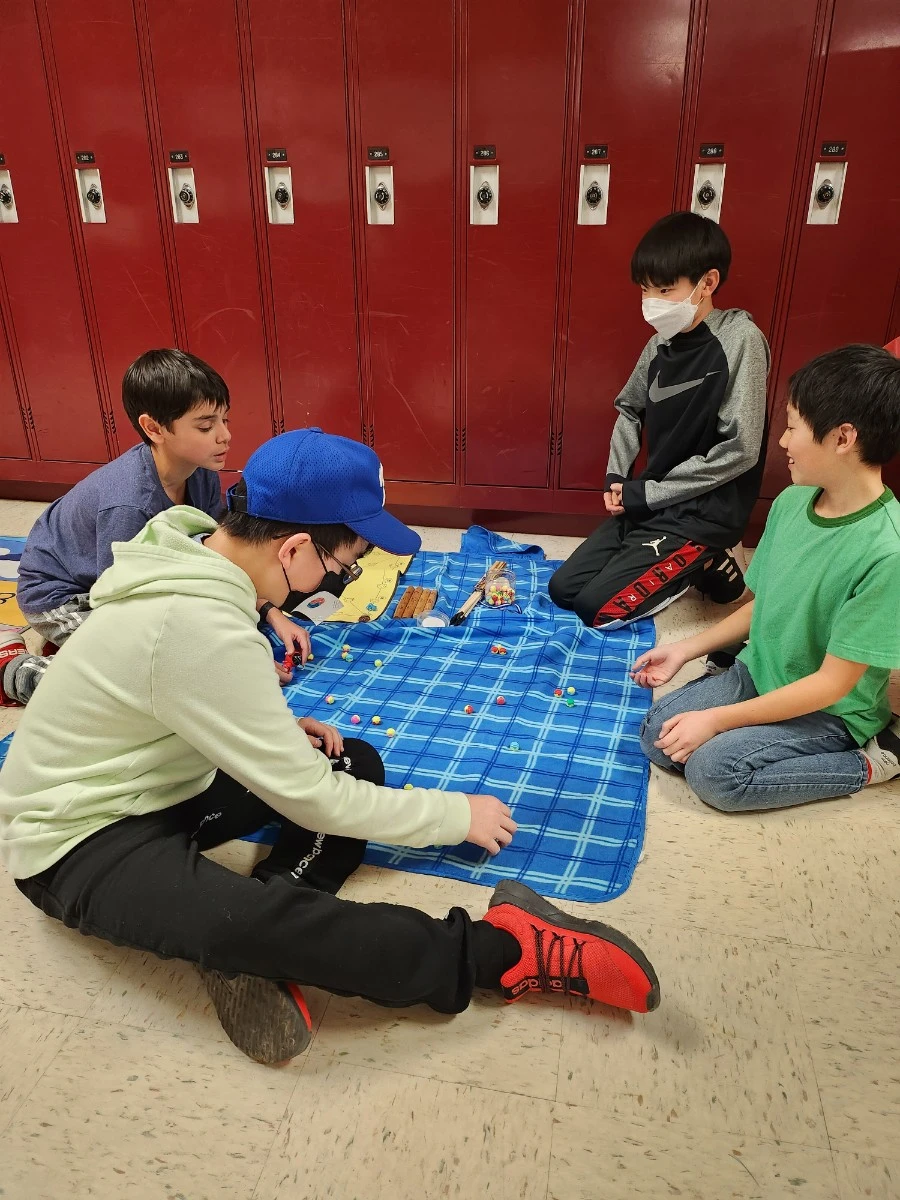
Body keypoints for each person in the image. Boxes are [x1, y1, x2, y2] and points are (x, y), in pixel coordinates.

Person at [0, 428, 660, 1065]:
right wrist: (453, 814)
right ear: (293, 550)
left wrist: (273, 730)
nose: (337, 584)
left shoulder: (200, 558)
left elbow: (165, 692)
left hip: (162, 780)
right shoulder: (195, 623)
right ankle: (504, 950)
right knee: (250, 918)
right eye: (342, 568)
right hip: (74, 839)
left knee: (349, 760)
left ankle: (266, 932)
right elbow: (312, 798)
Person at [633, 344, 900, 811]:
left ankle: (874, 760)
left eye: (793, 427)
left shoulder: (888, 551)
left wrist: (717, 720)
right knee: (659, 737)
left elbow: (831, 685)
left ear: (842, 438)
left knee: (714, 774)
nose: (782, 442)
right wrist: (684, 648)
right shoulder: (792, 503)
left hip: (830, 710)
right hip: (760, 672)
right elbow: (765, 605)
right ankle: (735, 718)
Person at [0, 348, 306, 707]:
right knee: (149, 681)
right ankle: (13, 670)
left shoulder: (202, 473)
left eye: (225, 420)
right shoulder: (128, 504)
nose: (224, 436)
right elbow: (127, 610)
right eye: (206, 426)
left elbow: (215, 562)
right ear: (154, 428)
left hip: (121, 584)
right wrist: (229, 663)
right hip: (63, 596)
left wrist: (269, 612)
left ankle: (73, 645)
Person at [549, 211, 769, 629]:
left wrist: (648, 493)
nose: (652, 302)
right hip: (653, 497)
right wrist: (617, 475)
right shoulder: (658, 345)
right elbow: (629, 409)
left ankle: (708, 560)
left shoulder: (741, 340)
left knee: (597, 609)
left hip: (702, 511)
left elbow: (741, 448)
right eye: (645, 290)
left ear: (708, 283)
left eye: (665, 290)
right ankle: (699, 563)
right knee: (563, 589)